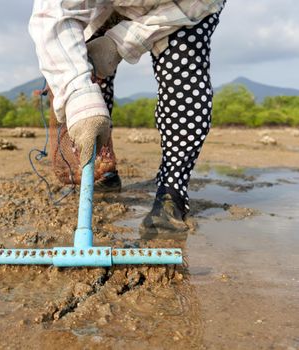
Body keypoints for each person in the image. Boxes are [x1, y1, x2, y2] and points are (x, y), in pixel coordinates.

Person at [29, 0, 226, 235]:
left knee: (183, 77)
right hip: (102, 7)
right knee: (85, 73)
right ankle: (103, 174)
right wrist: (77, 92)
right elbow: (53, 15)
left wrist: (119, 43)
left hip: (183, 8)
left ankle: (171, 193)